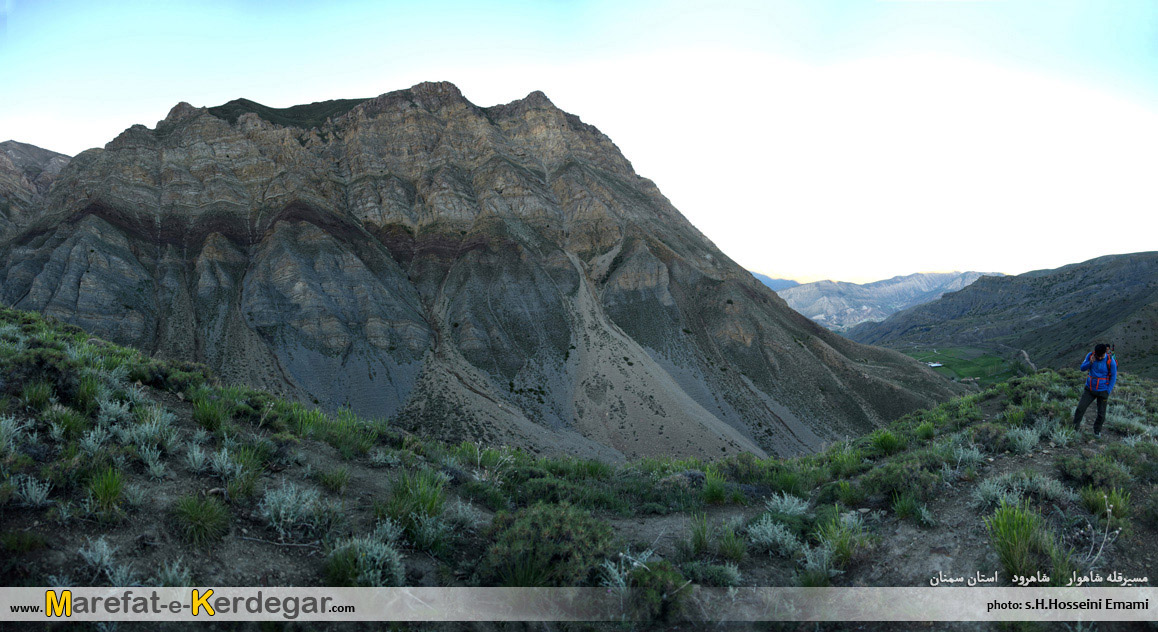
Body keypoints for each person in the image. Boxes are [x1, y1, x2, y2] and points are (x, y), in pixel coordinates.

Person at [1071, 343, 1117, 437]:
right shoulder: (1090, 356)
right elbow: (1082, 368)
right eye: (1098, 356)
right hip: (1089, 389)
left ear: (1105, 353)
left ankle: (1097, 431)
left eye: (1101, 356)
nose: (1099, 358)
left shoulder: (1110, 361)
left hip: (1103, 391)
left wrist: (1108, 391)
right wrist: (1090, 362)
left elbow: (1113, 376)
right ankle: (1074, 428)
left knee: (1101, 414)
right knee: (1080, 409)